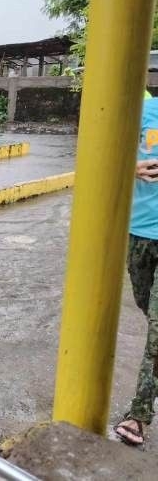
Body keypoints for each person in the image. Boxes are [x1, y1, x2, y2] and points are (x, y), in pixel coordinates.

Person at [114, 96, 158, 446]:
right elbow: (107, 153)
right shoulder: (143, 111)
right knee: (147, 309)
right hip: (139, 232)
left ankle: (139, 414)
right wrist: (132, 167)